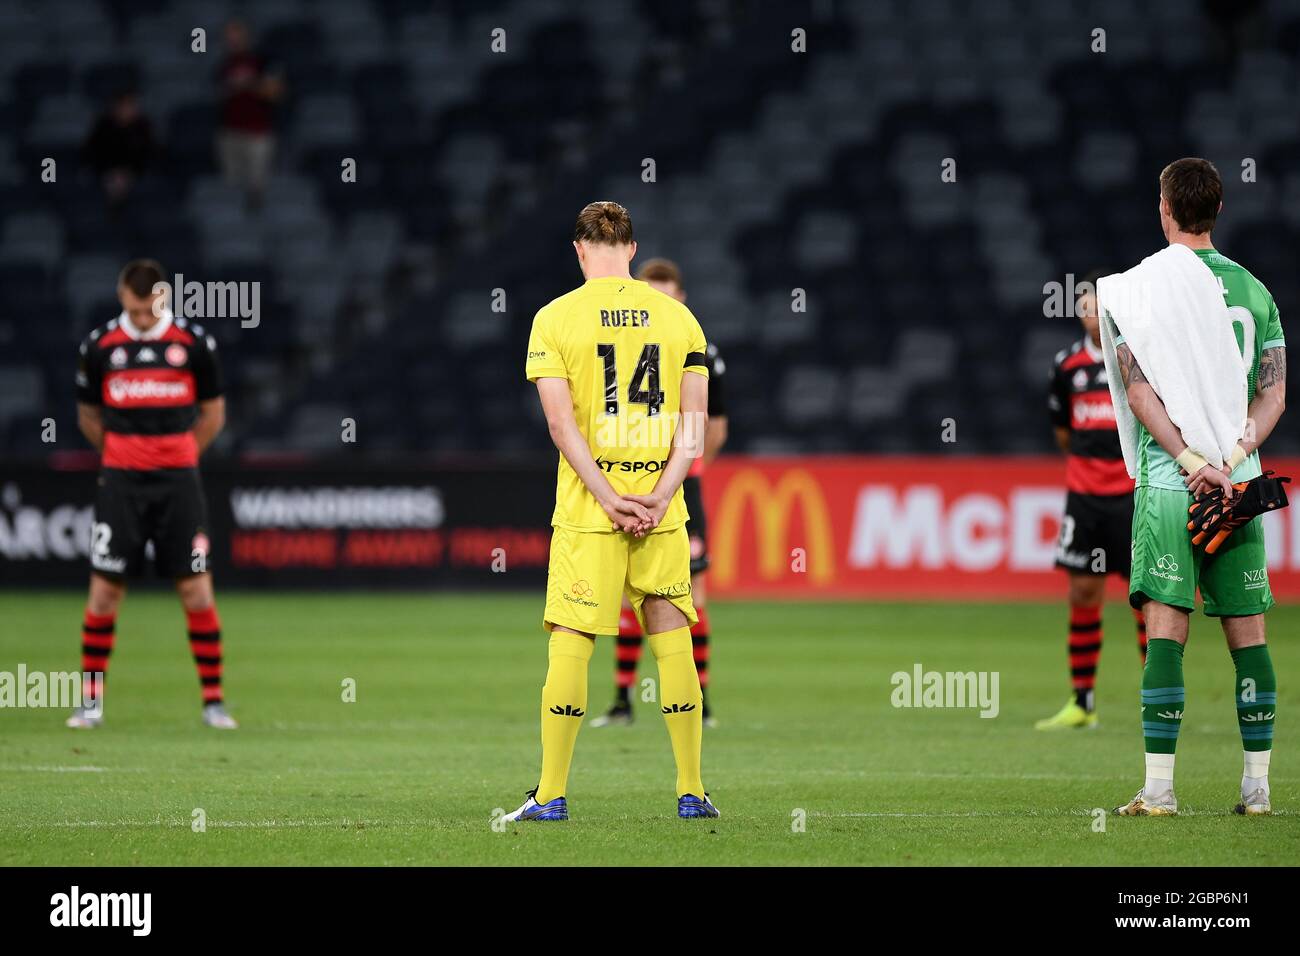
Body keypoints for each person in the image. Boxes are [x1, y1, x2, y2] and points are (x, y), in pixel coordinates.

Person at [504, 202, 717, 821]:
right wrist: (660, 492)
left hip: (588, 508)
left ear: (578, 250)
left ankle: (550, 796)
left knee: (572, 639)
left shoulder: (554, 319)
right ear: (630, 249)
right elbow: (695, 427)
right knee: (672, 634)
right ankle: (692, 792)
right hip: (661, 505)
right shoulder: (680, 319)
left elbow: (559, 424)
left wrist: (606, 495)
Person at [1106, 159, 1285, 816]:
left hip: (1171, 481)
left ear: (1164, 208)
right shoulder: (1256, 292)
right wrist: (1235, 454)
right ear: (1218, 210)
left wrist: (1187, 456)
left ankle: (1159, 792)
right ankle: (1258, 791)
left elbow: (1139, 388)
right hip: (1240, 484)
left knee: (1165, 630)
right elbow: (1273, 391)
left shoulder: (1141, 289)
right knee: (1250, 635)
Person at [67, 259, 235, 730]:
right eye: (134, 310)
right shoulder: (99, 347)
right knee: (104, 592)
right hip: (120, 483)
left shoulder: (195, 344)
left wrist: (177, 455)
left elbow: (213, 414)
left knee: (196, 589)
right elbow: (88, 419)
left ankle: (214, 702)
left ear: (164, 298)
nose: (142, 319)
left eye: (149, 310)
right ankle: (91, 703)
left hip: (179, 483)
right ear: (122, 295)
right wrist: (126, 456)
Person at [590, 258, 728, 729]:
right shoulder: (622, 346)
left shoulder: (701, 348)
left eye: (670, 296)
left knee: (692, 594)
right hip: (630, 479)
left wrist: (682, 464)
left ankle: (700, 701)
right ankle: (623, 701)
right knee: (629, 594)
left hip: (680, 483)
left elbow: (715, 424)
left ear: (682, 299)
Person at [1037, 272, 1146, 731]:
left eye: (1094, 305)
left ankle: (1155, 699)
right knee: (1083, 593)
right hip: (1085, 498)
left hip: (1130, 495)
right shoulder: (1065, 367)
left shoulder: (1136, 360)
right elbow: (1063, 432)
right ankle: (1082, 702)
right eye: (1081, 305)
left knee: (1146, 598)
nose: (1088, 312)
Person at [215, 19, 283, 209]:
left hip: (258, 131)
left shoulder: (263, 61)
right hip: (230, 132)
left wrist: (249, 84)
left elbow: (276, 93)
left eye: (237, 36)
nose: (233, 40)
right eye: (229, 37)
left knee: (257, 188)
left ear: (247, 37)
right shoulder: (223, 65)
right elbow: (218, 95)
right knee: (232, 188)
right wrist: (231, 88)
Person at [82, 90, 155, 210]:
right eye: (123, 106)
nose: (127, 110)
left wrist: (130, 173)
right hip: (106, 175)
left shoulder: (143, 126)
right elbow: (92, 154)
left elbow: (149, 154)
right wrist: (111, 173)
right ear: (115, 107)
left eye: (130, 105)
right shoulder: (103, 126)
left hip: (136, 174)